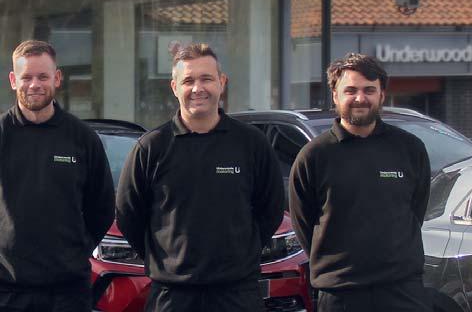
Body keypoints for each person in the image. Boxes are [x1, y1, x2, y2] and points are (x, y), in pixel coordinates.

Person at [116, 43, 284, 312]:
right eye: (188, 81)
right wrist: (167, 260)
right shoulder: (151, 147)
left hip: (237, 294)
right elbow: (128, 215)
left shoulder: (251, 143)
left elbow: (271, 209)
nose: (197, 88)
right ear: (174, 87)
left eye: (206, 79)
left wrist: (242, 252)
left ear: (222, 82)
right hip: (172, 296)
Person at [289, 53, 432, 312]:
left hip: (402, 292)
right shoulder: (314, 156)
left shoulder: (410, 149)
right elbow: (304, 225)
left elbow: (416, 211)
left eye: (369, 90)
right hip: (341, 294)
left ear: (382, 94)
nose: (360, 98)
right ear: (335, 95)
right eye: (351, 90)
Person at [0, 40, 115, 311]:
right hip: (7, 291)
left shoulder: (82, 138)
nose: (34, 84)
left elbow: (102, 207)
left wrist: (75, 251)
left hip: (68, 292)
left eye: (43, 76)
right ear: (13, 81)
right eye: (26, 77)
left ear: (57, 78)